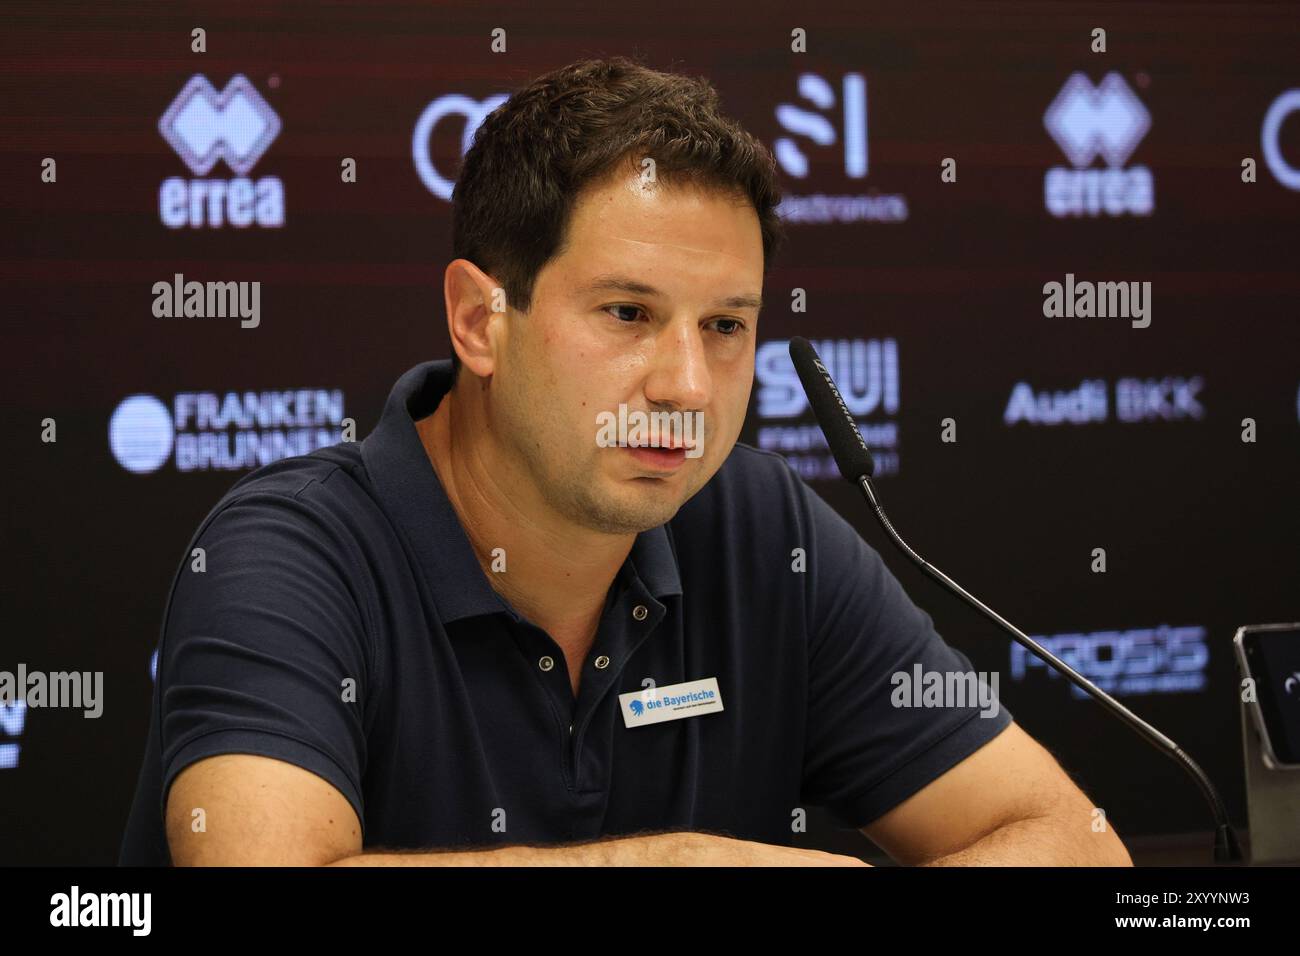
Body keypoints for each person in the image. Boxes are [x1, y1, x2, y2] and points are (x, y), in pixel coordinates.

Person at [120, 55, 1131, 867]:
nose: (687, 384)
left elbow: (1073, 842)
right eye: (627, 313)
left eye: (726, 325)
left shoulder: (758, 528)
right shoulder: (289, 555)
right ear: (480, 320)